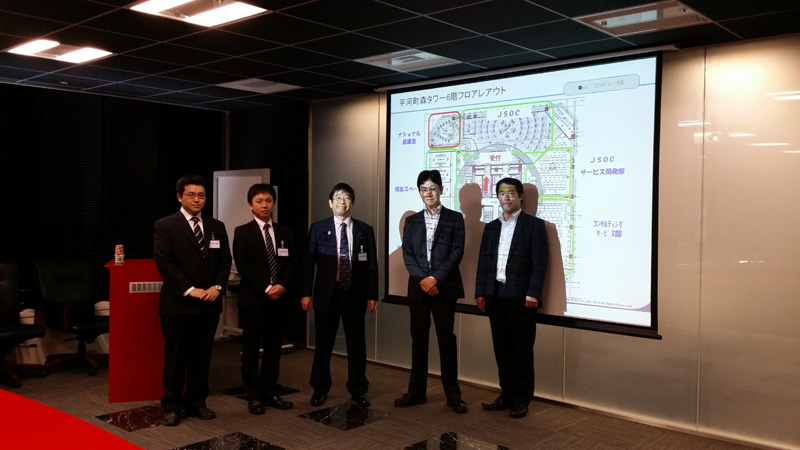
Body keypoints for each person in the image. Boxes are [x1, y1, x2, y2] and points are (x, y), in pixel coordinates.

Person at [153, 174, 232, 426]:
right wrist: (190, 289)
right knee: (176, 358)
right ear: (179, 197)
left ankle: (197, 402)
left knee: (202, 357)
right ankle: (172, 406)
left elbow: (225, 260)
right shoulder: (166, 225)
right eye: (191, 195)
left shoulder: (216, 225)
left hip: (209, 303)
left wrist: (217, 287)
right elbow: (164, 262)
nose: (197, 199)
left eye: (201, 195)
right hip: (178, 304)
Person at [394, 170, 467, 414]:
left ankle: (453, 396)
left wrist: (435, 278)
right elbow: (408, 254)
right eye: (423, 189)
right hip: (419, 289)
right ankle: (417, 392)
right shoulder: (412, 221)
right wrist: (423, 280)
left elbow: (457, 251)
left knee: (446, 341)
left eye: (432, 188)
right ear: (419, 192)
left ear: (441, 190)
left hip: (444, 288)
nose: (428, 193)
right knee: (419, 340)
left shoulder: (455, 218)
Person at [475, 177, 548, 419]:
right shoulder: (491, 227)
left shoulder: (533, 225)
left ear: (520, 196)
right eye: (502, 193)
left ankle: (522, 399)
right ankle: (506, 394)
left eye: (511, 193)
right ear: (497, 197)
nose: (507, 197)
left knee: (522, 350)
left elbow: (540, 263)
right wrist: (481, 292)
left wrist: (533, 293)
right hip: (496, 295)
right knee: (502, 349)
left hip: (522, 297)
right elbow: (484, 263)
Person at [301, 183, 378, 408]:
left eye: (346, 198)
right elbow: (308, 264)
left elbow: (372, 265)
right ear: (330, 202)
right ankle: (319, 388)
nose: (342, 202)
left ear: (352, 203)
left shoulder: (365, 230)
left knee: (356, 344)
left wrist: (372, 294)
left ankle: (358, 389)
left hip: (354, 294)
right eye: (337, 198)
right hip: (327, 294)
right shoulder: (318, 228)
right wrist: (306, 293)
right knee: (323, 344)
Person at [233, 184, 298, 415]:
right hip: (254, 300)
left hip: (279, 300)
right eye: (259, 201)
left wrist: (282, 285)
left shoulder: (284, 232)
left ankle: (270, 391)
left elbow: (292, 262)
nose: (264, 205)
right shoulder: (242, 232)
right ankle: (253, 395)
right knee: (251, 350)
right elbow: (243, 265)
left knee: (273, 348)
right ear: (250, 205)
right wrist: (267, 287)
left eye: (268, 201)